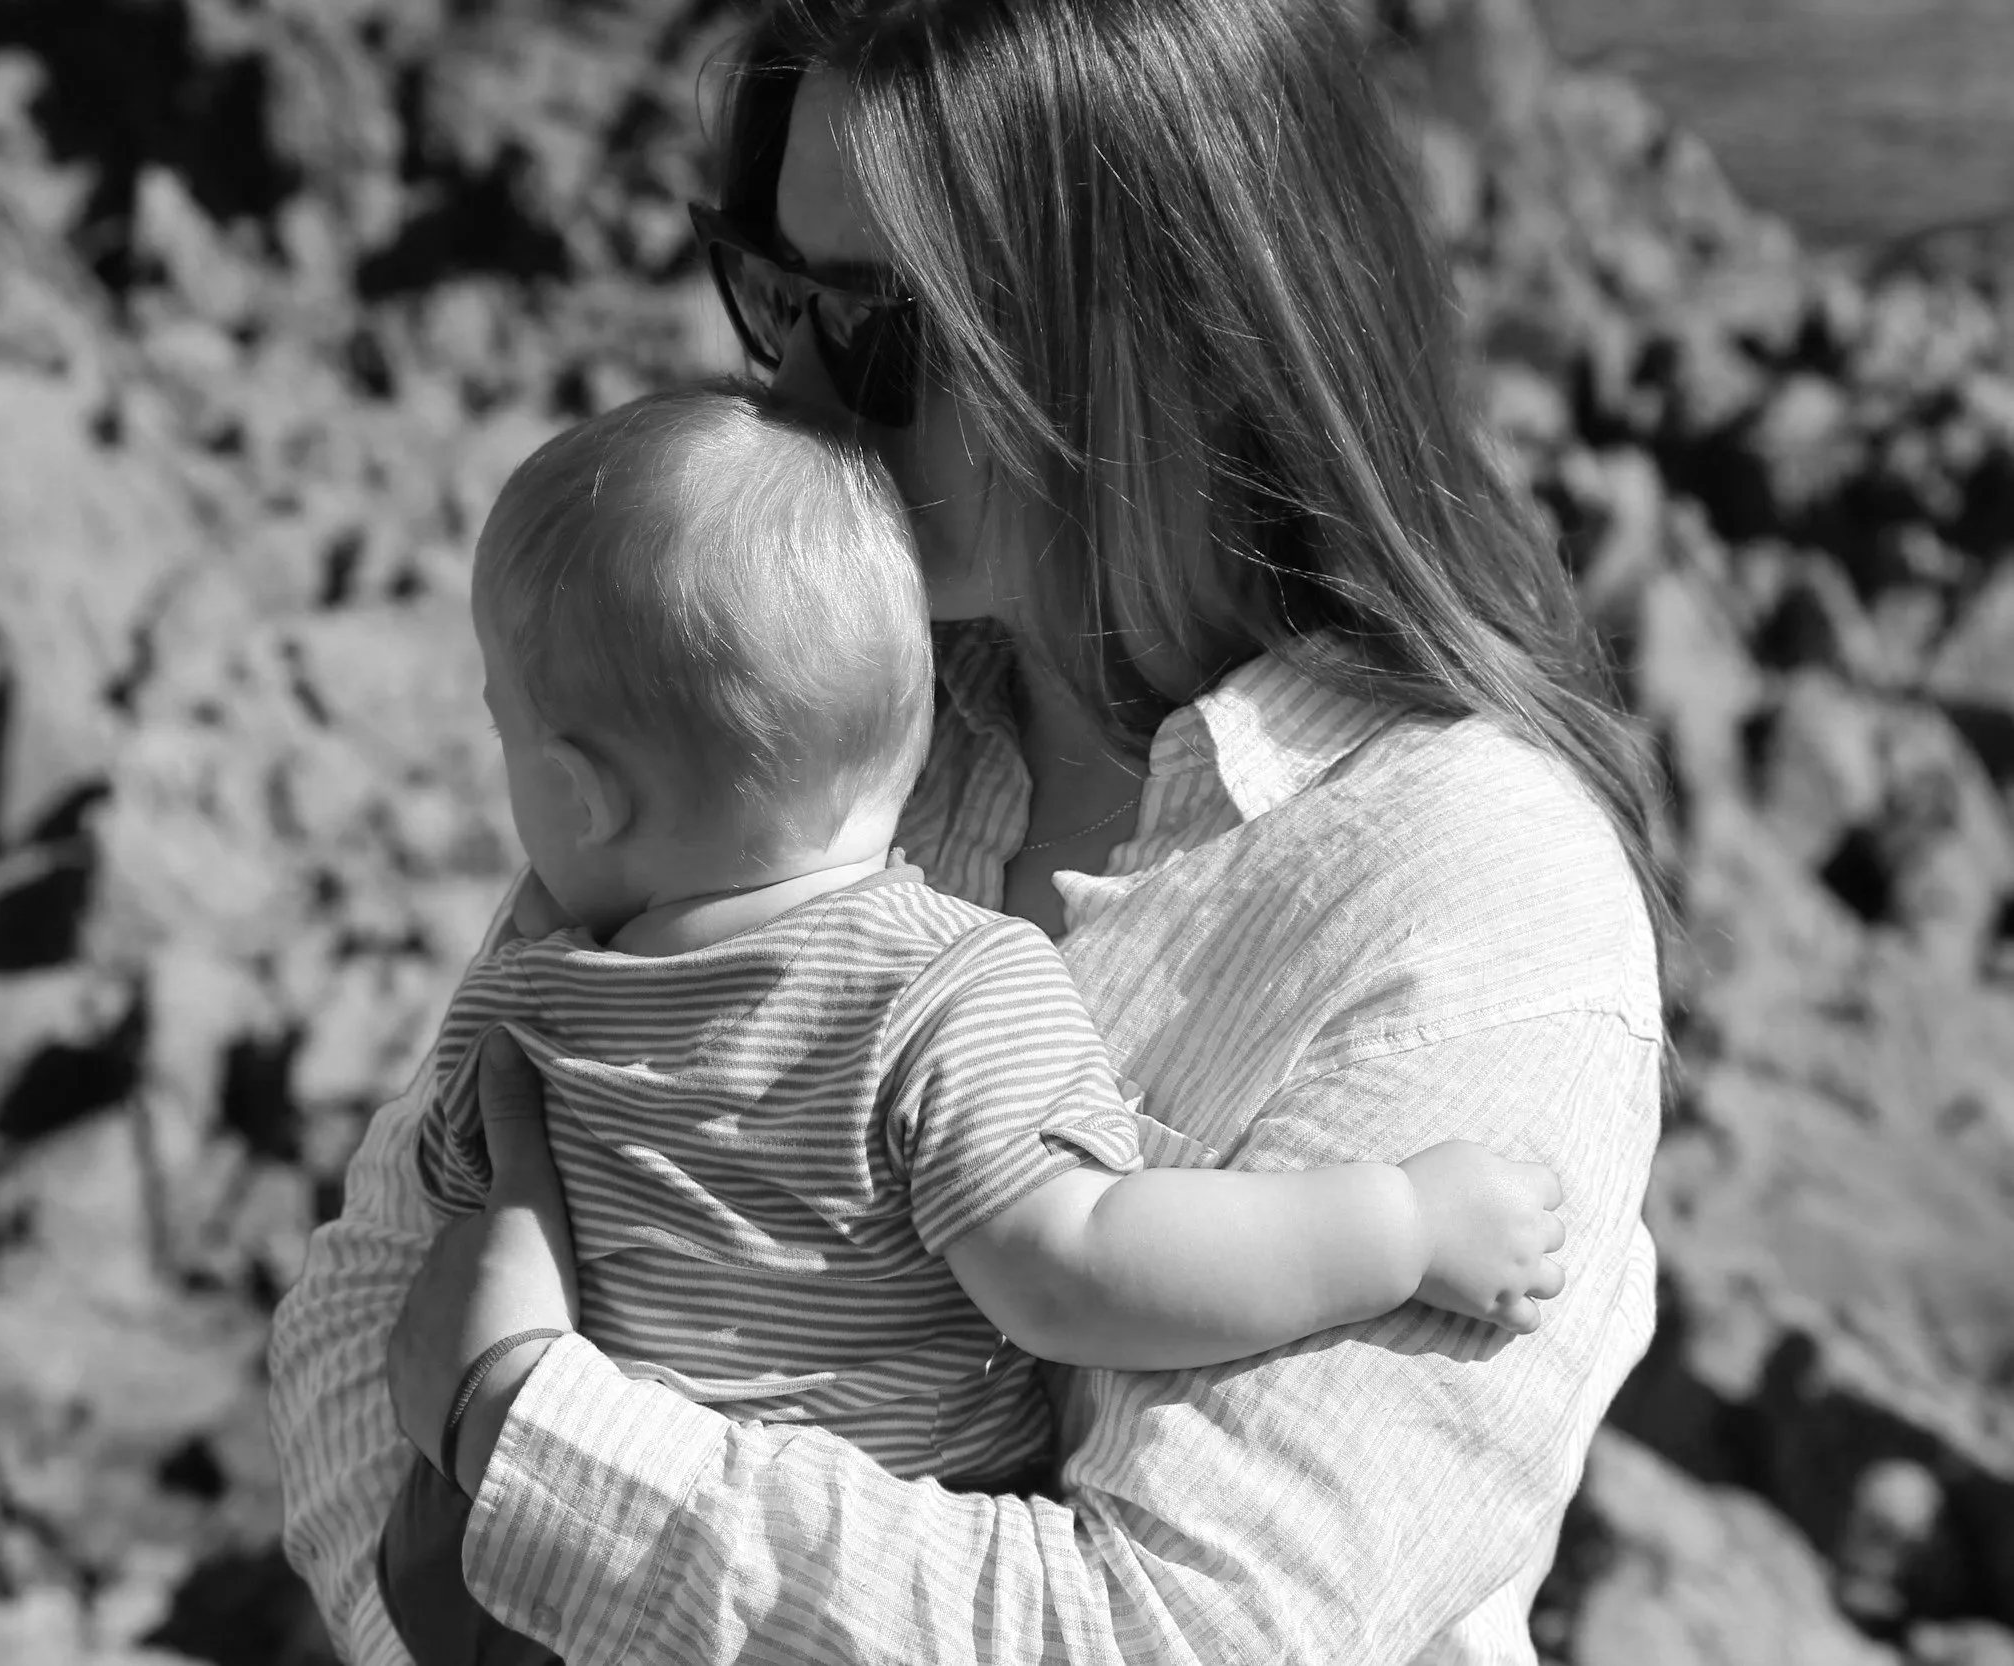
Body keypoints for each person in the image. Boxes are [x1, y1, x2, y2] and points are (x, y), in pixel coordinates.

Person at [271, 0, 1669, 1660]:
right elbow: (352, 1331)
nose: (787, 391)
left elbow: (1165, 1634)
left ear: (1178, 341)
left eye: (873, 330)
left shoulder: (1469, 904)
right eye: (766, 286)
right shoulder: (792, 707)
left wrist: (528, 1435)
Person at [371, 382, 1569, 1666]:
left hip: (502, 1588)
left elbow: (434, 1255)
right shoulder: (942, 990)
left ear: (576, 792)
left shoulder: (525, 999)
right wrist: (1396, 1224)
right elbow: (1080, 1264)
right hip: (836, 1591)